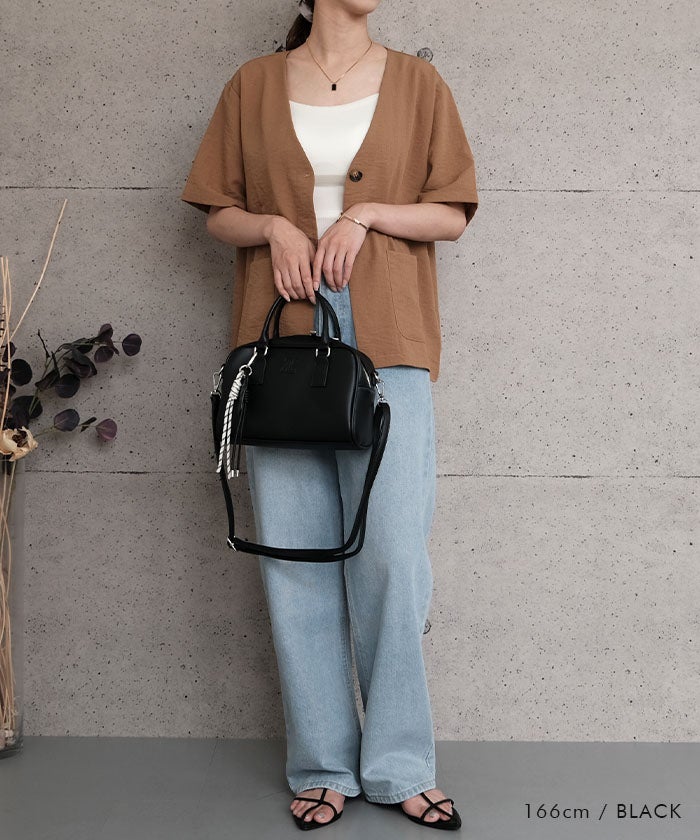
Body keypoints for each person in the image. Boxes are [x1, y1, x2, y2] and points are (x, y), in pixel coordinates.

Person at [181, 0, 478, 831]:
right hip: (281, 348)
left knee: (393, 560)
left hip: (391, 341)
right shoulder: (253, 85)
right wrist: (275, 228)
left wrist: (365, 213)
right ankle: (321, 766)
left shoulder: (419, 84)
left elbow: (452, 212)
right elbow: (214, 209)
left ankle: (401, 766)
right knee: (296, 557)